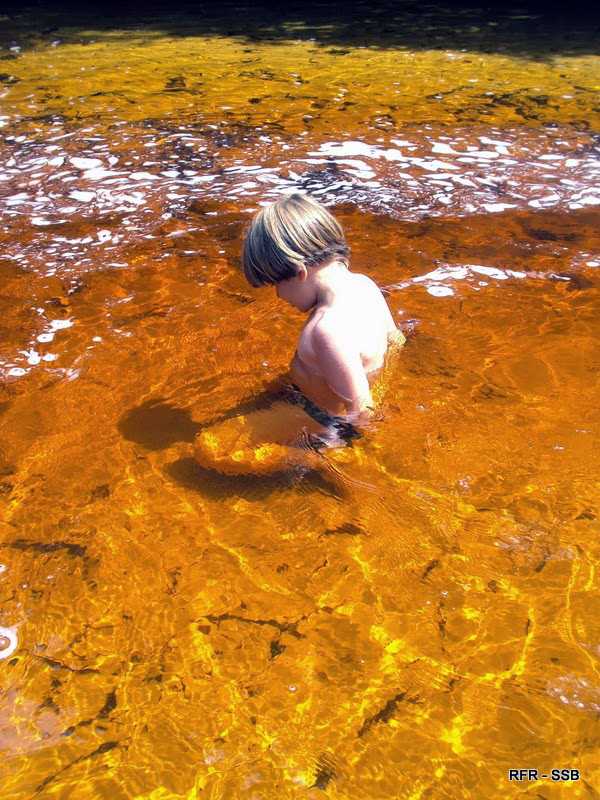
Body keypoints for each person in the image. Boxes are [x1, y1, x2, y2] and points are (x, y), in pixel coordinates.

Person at [194, 192, 405, 476]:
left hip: (318, 418)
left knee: (209, 447)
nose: (279, 295)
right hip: (322, 396)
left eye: (276, 284)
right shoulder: (365, 285)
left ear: (300, 272)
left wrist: (333, 442)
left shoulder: (325, 329)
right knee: (269, 393)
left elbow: (362, 409)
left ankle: (317, 461)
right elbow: (396, 341)